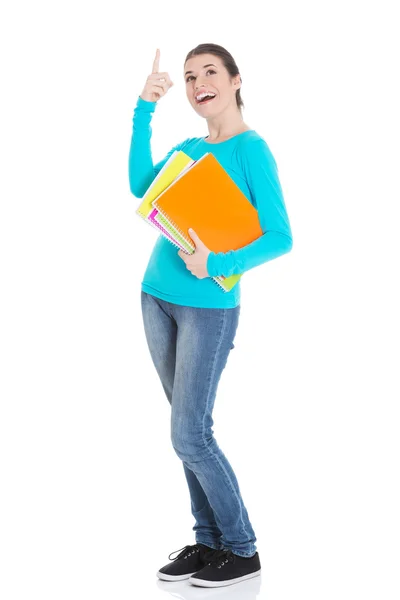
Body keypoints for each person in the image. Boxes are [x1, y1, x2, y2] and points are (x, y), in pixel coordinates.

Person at [128, 43, 293, 588]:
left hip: (209, 308)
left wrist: (216, 262)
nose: (199, 83)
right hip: (157, 297)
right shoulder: (192, 146)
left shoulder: (252, 150)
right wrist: (143, 110)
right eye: (189, 76)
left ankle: (241, 549)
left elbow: (280, 236)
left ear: (235, 80)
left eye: (209, 73)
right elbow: (140, 186)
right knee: (187, 430)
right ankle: (206, 543)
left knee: (190, 434)